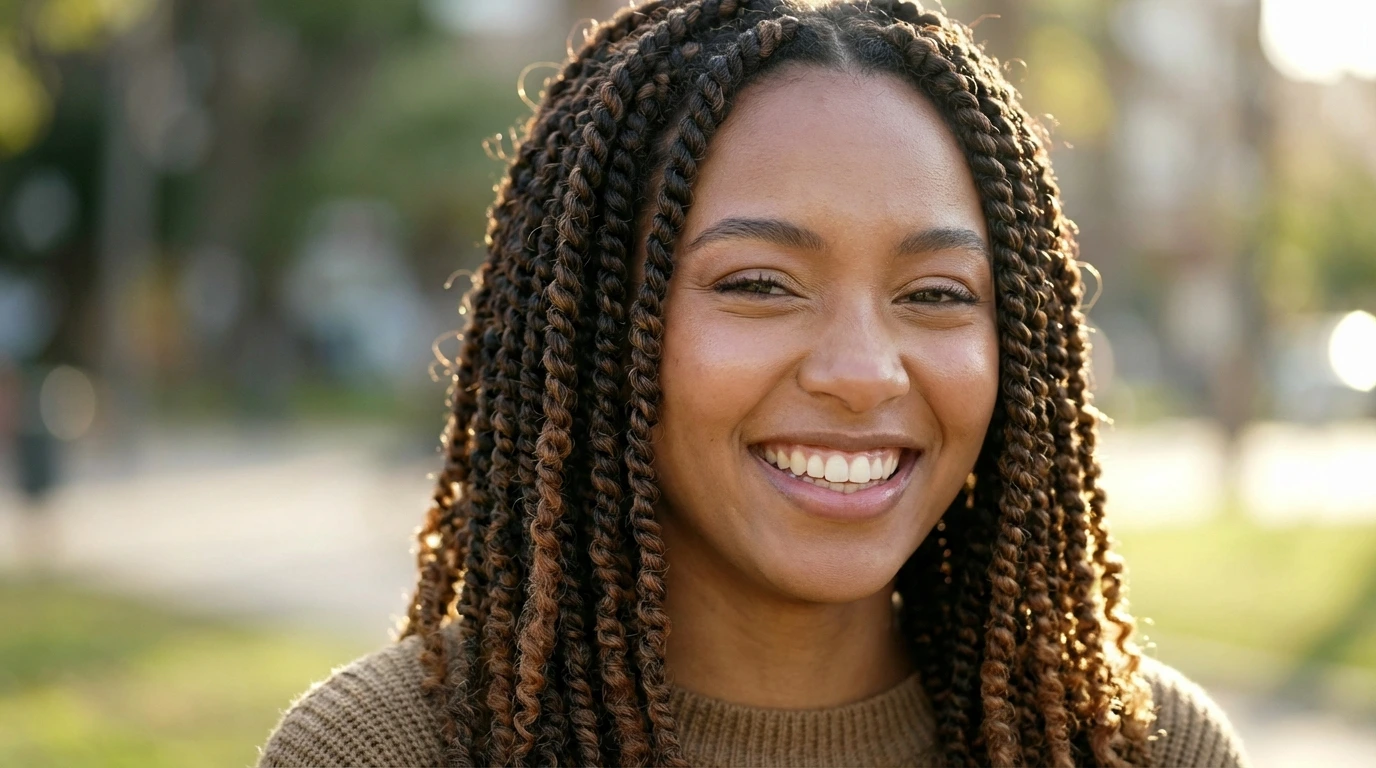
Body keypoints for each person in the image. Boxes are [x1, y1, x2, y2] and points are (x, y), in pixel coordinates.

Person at [258, 1, 1249, 766]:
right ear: (603, 323)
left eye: (935, 293)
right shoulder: (387, 753)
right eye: (758, 284)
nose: (862, 373)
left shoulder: (1133, 748)